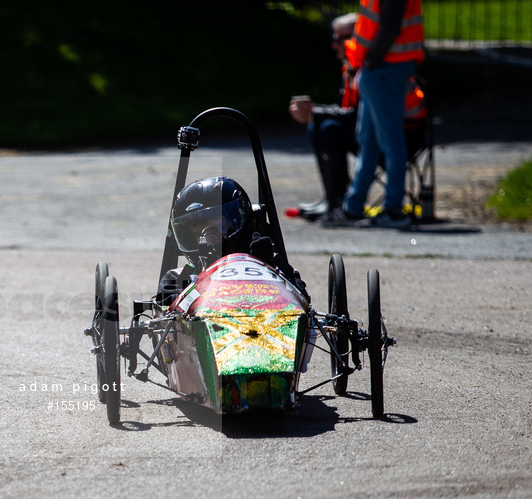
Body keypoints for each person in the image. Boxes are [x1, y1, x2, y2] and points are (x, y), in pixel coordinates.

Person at [320, 0, 425, 229]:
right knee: (368, 140)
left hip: (385, 67)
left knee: (390, 141)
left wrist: (372, 60)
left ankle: (394, 210)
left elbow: (390, 26)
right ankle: (353, 207)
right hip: (381, 67)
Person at [156, 176, 300, 305]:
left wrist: (266, 269)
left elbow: (301, 301)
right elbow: (166, 308)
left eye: (217, 225)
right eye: (199, 230)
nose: (209, 238)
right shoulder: (178, 279)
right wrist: (204, 280)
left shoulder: (277, 269)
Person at [289, 13, 360, 220]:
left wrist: (315, 111)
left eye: (339, 39)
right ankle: (331, 198)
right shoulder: (350, 67)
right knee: (318, 125)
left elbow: (358, 114)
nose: (334, 45)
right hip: (358, 129)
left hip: (378, 136)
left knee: (330, 128)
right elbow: (344, 108)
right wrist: (313, 112)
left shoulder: (366, 67)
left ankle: (338, 201)